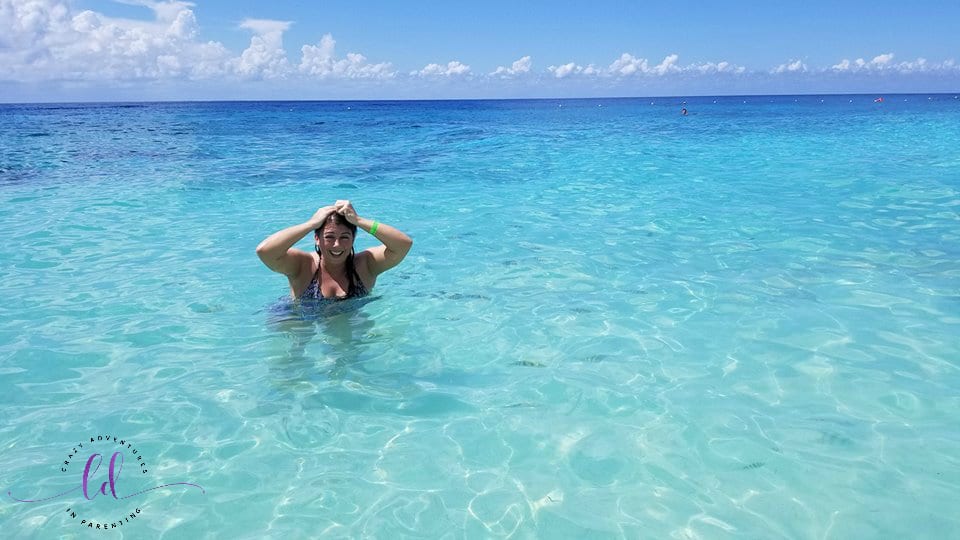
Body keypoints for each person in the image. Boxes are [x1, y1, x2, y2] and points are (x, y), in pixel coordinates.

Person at [256, 200, 412, 301]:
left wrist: (359, 221)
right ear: (317, 238)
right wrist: (310, 224)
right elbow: (265, 251)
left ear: (353, 239)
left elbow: (403, 244)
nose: (337, 245)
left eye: (345, 237)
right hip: (300, 322)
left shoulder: (365, 265)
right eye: (329, 237)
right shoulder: (304, 265)